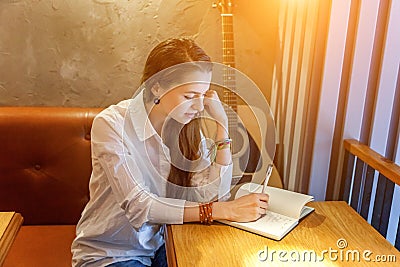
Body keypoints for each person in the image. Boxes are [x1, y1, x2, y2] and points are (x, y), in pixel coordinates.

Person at [71, 37, 269, 267]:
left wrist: (222, 125)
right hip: (114, 252)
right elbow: (139, 206)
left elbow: (212, 195)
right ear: (156, 87)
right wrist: (222, 211)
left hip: (165, 243)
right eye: (189, 96)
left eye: (203, 95)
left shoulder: (186, 126)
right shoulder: (111, 124)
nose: (198, 106)